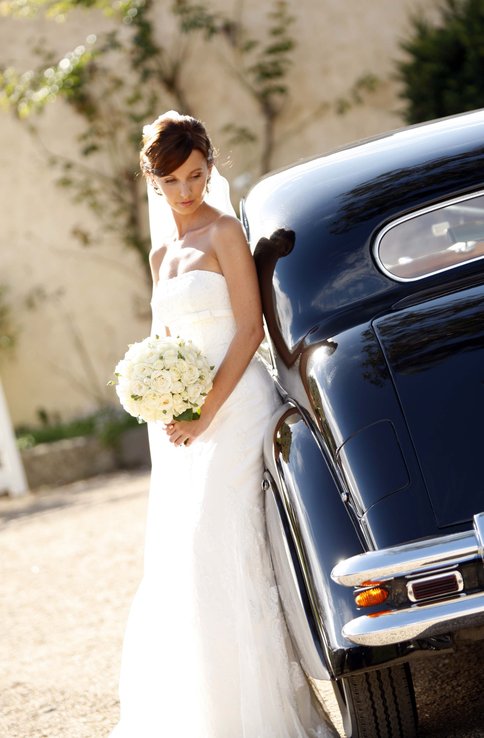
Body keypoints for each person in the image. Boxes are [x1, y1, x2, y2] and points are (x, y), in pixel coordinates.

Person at [110, 111, 338, 738]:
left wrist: (206, 407)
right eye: (174, 180)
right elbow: (163, 340)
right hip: (184, 424)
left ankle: (260, 716)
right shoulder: (161, 254)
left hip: (235, 410)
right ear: (153, 182)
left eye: (197, 175)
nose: (188, 191)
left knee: (223, 547)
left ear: (210, 170)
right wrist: (160, 399)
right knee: (188, 560)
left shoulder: (224, 233)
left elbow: (249, 328)